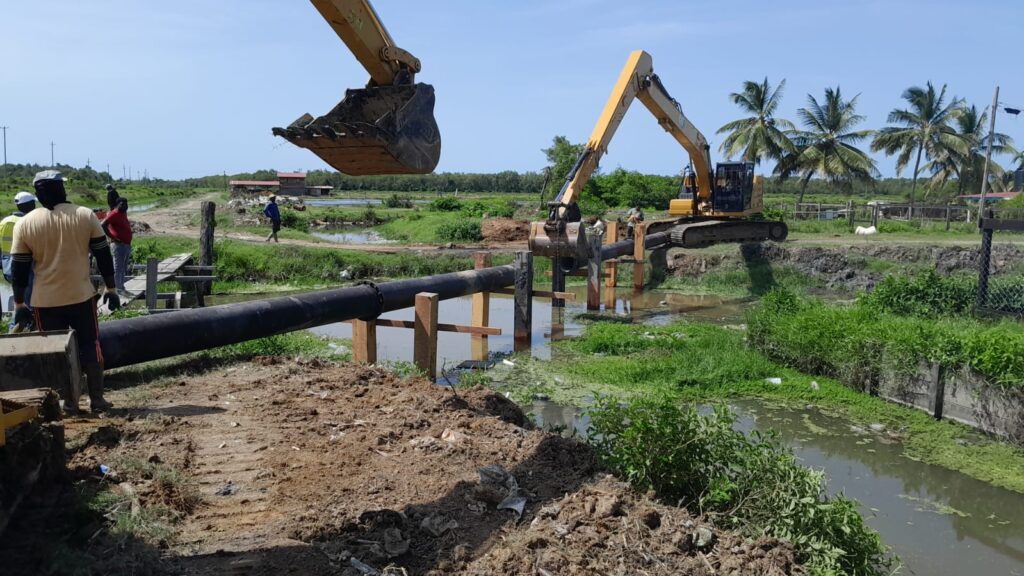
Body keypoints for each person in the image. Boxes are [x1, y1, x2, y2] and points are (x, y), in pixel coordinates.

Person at [10, 170, 121, 413]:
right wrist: (111, 288)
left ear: (38, 194)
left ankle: (68, 403)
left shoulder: (25, 224)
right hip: (81, 296)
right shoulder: (84, 215)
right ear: (61, 189)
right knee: (91, 345)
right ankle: (97, 400)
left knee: (54, 352)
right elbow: (103, 255)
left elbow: (19, 268)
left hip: (45, 302)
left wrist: (19, 304)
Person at [1, 191, 37, 329]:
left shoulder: (4, 221)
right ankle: (18, 332)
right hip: (25, 269)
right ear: (31, 205)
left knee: (18, 300)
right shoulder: (28, 222)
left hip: (8, 268)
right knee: (27, 304)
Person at [102, 197, 133, 293]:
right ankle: (117, 290)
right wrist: (113, 237)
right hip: (118, 245)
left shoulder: (123, 213)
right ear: (118, 204)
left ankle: (121, 287)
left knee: (123, 268)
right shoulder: (114, 213)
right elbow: (103, 224)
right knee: (118, 268)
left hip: (126, 245)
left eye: (126, 204)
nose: (125, 206)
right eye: (123, 204)